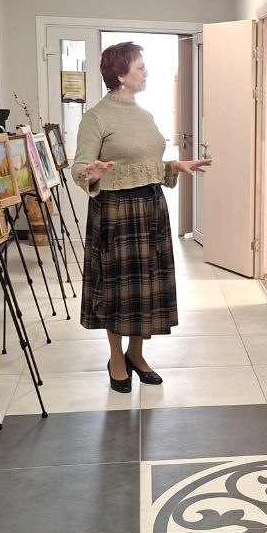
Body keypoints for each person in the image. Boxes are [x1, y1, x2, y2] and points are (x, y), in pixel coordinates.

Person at [72, 42, 211, 393]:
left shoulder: (144, 115)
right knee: (117, 289)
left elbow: (145, 163)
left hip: (151, 207)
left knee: (145, 286)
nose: (146, 73)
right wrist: (91, 172)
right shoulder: (96, 117)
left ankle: (136, 353)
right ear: (121, 74)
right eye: (140, 68)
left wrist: (173, 166)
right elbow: (79, 167)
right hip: (116, 211)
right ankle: (116, 359)